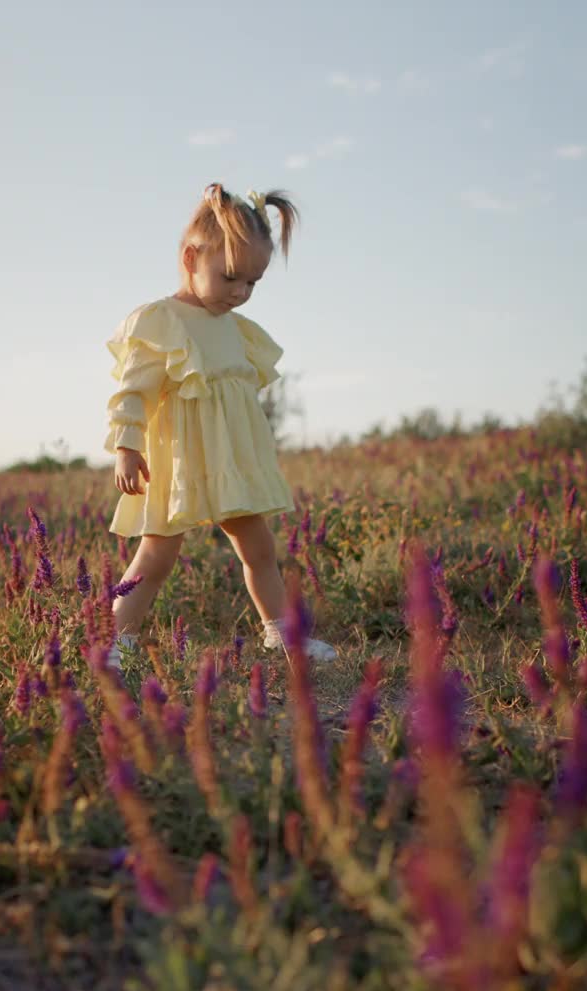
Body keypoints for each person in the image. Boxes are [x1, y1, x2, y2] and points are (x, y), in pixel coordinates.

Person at [103, 181, 337, 671]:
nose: (241, 293)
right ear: (190, 257)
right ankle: (115, 640)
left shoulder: (236, 327)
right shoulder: (162, 320)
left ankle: (282, 634)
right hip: (182, 463)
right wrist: (126, 446)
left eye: (252, 283)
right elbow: (132, 390)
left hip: (230, 461)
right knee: (156, 557)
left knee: (260, 548)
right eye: (231, 277)